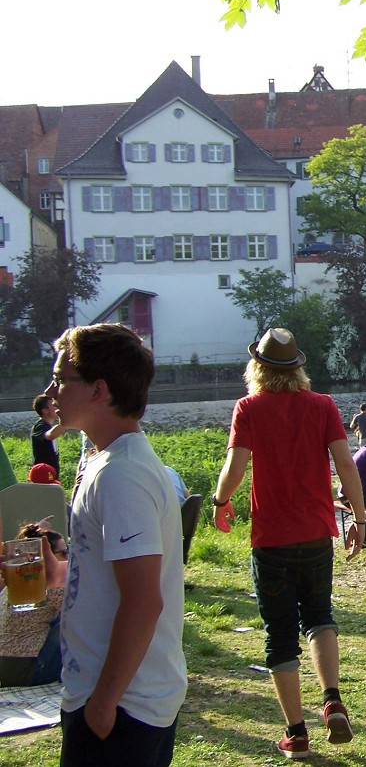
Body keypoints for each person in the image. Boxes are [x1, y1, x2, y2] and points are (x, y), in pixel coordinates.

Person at [212, 328, 365, 759]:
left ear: (256, 368)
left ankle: (296, 732)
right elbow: (346, 467)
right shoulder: (323, 406)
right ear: (299, 367)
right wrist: (358, 517)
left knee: (279, 636)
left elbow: (235, 468)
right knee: (319, 616)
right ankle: (332, 698)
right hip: (317, 532)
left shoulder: (248, 408)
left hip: (271, 538)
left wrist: (221, 501)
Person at [45, 323, 186, 767]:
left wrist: (104, 702)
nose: (51, 390)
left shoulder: (123, 474)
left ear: (97, 390)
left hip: (124, 705)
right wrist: (60, 574)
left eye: (62, 379)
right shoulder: (103, 459)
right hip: (107, 694)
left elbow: (144, 601)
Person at [0, 522, 66, 687]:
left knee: (57, 618)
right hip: (25, 674)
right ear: (47, 555)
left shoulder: (19, 583)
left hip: (6, 669)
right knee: (70, 624)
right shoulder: (49, 584)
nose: (68, 557)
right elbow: (82, 619)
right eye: (64, 553)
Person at [31, 394, 66, 474]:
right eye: (53, 405)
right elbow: (50, 435)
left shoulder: (48, 426)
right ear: (45, 411)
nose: (57, 407)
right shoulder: (40, 426)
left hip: (51, 473)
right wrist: (66, 421)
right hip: (42, 474)